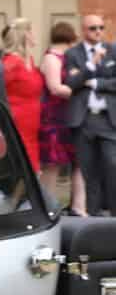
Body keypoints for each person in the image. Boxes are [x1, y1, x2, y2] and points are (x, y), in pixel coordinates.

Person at [63, 15, 116, 215]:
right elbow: (71, 83)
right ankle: (95, 217)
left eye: (101, 27)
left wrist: (95, 83)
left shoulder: (113, 50)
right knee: (89, 172)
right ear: (84, 30)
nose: (98, 31)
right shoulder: (72, 54)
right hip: (83, 120)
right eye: (93, 28)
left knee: (112, 166)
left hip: (109, 119)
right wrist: (91, 66)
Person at [40, 21, 84, 214]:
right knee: (53, 164)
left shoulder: (65, 57)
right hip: (54, 118)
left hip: (69, 116)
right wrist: (81, 89)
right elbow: (55, 88)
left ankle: (77, 207)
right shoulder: (52, 58)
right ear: (68, 38)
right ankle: (48, 206)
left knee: (78, 161)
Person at [1, 19, 43, 177]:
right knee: (25, 170)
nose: (34, 35)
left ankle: (23, 201)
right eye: (31, 31)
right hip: (18, 122)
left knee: (32, 171)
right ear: (24, 35)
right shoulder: (11, 62)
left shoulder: (29, 60)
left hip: (32, 123)